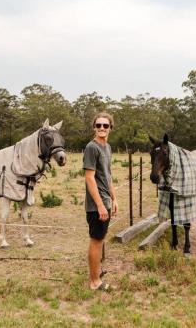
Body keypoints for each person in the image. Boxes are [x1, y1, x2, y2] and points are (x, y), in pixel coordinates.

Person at [83, 112, 118, 291]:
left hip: (105, 200)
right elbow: (90, 178)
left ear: (111, 128)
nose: (102, 128)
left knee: (101, 238)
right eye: (98, 125)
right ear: (94, 128)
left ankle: (97, 271)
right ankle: (94, 281)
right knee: (96, 240)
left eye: (105, 125)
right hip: (97, 204)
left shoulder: (108, 147)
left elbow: (107, 176)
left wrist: (113, 198)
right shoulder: (92, 147)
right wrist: (100, 204)